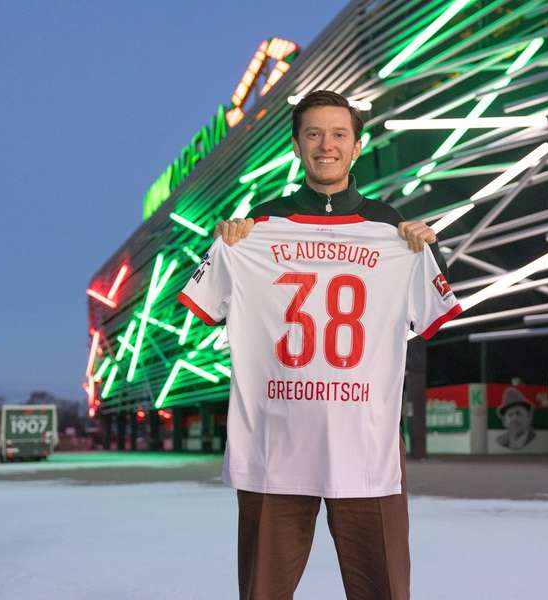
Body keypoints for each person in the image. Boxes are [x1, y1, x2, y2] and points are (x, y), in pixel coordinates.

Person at [201, 90, 452, 600]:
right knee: (262, 591)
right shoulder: (258, 227)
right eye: (314, 134)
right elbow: (209, 305)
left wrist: (430, 252)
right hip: (276, 438)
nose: (326, 145)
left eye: (339, 134)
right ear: (296, 145)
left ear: (357, 146)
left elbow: (429, 314)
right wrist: (228, 242)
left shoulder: (391, 228)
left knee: (384, 588)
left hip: (366, 442)